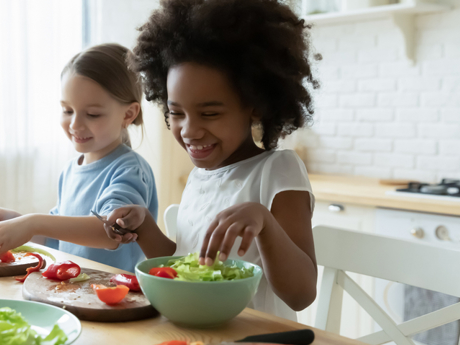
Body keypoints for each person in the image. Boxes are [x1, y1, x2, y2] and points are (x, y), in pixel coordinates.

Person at [105, 0, 320, 320]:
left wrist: (264, 222)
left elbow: (302, 294)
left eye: (210, 113)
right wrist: (145, 227)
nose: (189, 130)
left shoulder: (278, 171)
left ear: (256, 105)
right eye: (176, 113)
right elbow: (187, 267)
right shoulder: (199, 176)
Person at [0, 43, 158, 273]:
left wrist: (31, 223)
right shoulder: (70, 170)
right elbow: (57, 237)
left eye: (92, 114)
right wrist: (15, 223)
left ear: (128, 114)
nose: (75, 124)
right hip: (73, 290)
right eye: (67, 110)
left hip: (114, 298)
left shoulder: (130, 170)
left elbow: (111, 233)